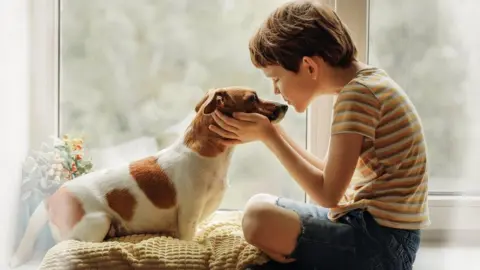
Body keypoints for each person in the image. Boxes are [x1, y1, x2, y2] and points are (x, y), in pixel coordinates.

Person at [209, 0, 429, 269]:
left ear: (309, 67)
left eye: (276, 78)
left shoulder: (358, 96)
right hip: (382, 234)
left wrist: (271, 137)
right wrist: (272, 131)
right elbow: (330, 175)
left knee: (257, 216)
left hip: (381, 244)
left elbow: (328, 195)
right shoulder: (367, 84)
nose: (276, 91)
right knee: (260, 205)